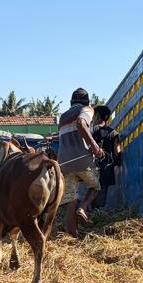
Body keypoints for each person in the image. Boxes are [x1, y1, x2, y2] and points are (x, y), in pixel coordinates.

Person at [57, 88, 105, 237]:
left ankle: (73, 234)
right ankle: (82, 208)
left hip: (64, 163)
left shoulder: (63, 116)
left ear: (71, 102)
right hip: (82, 160)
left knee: (70, 199)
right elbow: (80, 123)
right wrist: (95, 147)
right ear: (87, 102)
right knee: (95, 186)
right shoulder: (87, 109)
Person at [91, 104, 121, 209]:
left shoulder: (92, 131)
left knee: (91, 191)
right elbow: (116, 152)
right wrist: (117, 162)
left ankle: (89, 211)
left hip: (92, 168)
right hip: (107, 169)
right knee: (102, 193)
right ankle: (98, 212)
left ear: (97, 116)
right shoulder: (114, 133)